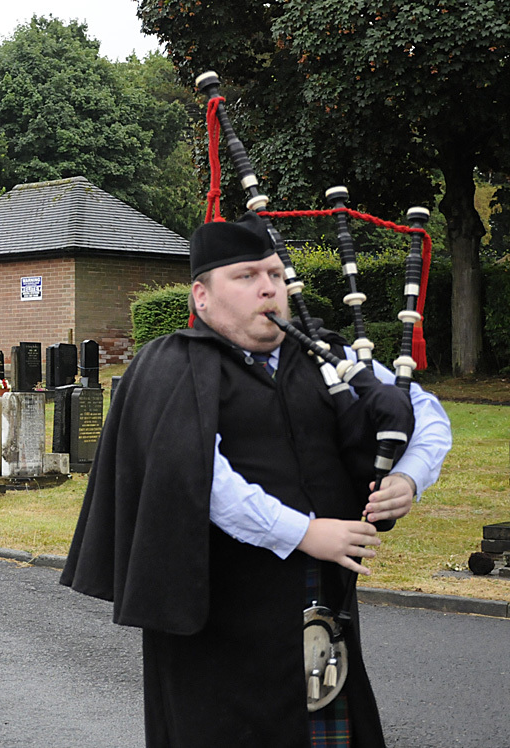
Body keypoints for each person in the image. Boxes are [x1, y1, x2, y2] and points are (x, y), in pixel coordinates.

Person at [61, 212, 452, 748]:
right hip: (217, 620)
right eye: (246, 276)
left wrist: (408, 479)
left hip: (320, 607)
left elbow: (424, 411)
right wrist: (304, 533)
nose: (267, 287)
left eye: (273, 273)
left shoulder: (325, 356)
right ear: (202, 296)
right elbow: (205, 477)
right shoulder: (172, 365)